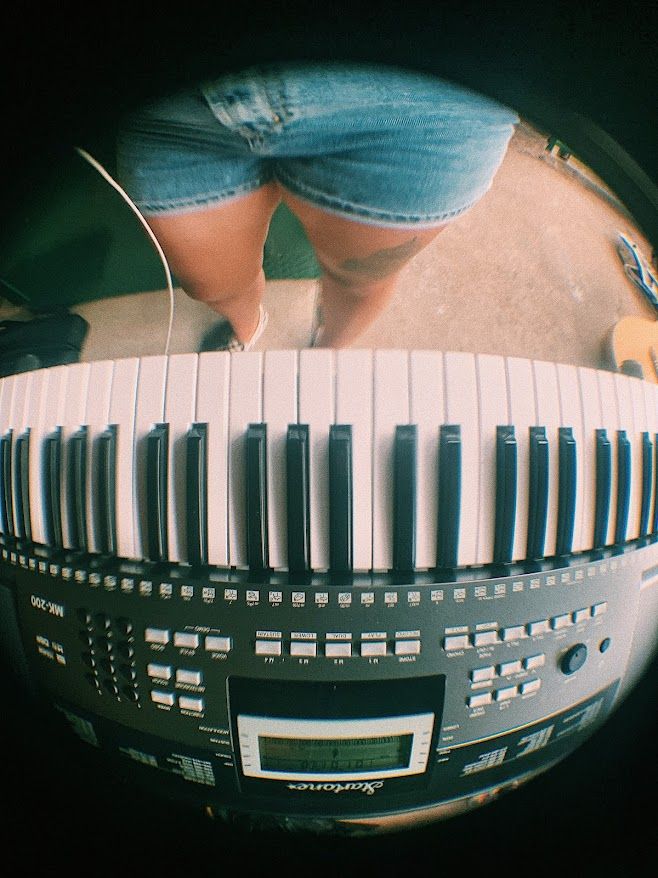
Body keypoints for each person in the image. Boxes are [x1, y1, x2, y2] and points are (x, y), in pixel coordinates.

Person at [116, 62, 518, 350]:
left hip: (427, 107)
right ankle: (247, 328)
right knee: (213, 286)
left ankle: (329, 351)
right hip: (175, 104)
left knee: (358, 281)